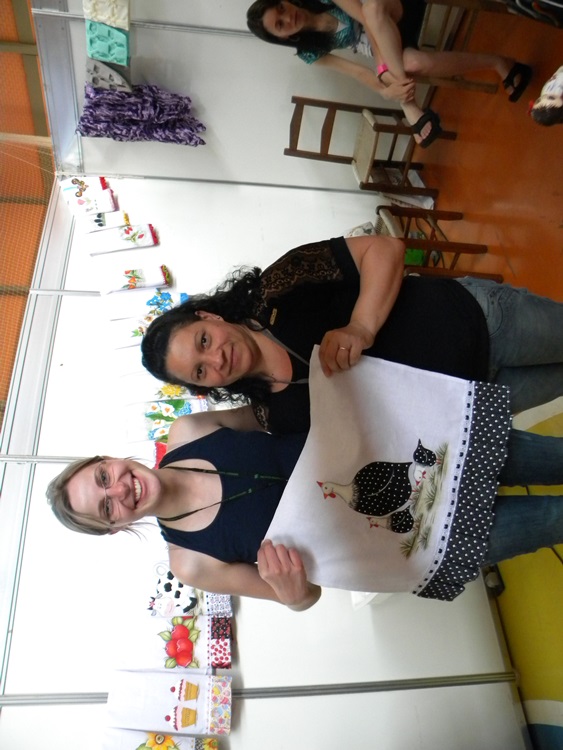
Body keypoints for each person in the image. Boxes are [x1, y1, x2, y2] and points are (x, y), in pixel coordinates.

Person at [46, 409, 563, 609]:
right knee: (550, 520)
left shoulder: (188, 430)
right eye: (107, 509)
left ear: (108, 459)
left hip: (408, 451)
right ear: (115, 529)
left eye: (104, 477)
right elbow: (305, 597)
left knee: (550, 457)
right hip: (414, 536)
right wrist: (292, 593)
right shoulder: (191, 562)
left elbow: (279, 411)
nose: (121, 491)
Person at [140, 234, 563, 434]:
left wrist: (361, 325)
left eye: (203, 341)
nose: (216, 359)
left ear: (209, 317)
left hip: (479, 322)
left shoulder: (279, 286)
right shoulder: (276, 414)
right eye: (200, 371)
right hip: (473, 398)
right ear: (205, 387)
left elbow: (385, 249)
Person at [246, 0, 532, 147]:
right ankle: (499, 62)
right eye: (280, 24)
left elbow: (365, 17)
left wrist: (385, 70)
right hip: (386, 49)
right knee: (415, 63)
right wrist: (387, 90)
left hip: (391, 10)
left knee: (372, 10)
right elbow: (358, 73)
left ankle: (411, 108)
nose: (288, 16)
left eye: (281, 7)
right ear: (283, 38)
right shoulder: (308, 52)